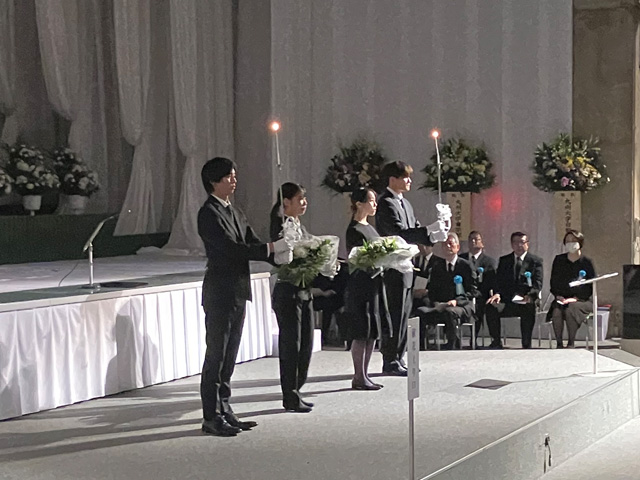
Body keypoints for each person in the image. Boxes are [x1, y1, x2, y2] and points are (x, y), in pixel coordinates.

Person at [198, 157, 292, 437]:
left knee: (229, 356)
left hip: (238, 290)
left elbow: (251, 241)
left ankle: (225, 408)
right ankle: (211, 416)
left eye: (234, 175)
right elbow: (231, 249)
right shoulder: (209, 213)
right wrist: (272, 248)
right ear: (213, 181)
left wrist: (283, 256)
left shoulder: (234, 211)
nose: (234, 180)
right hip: (220, 291)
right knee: (216, 355)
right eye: (228, 176)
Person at [375, 161, 448, 375]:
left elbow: (414, 228)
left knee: (405, 314)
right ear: (393, 179)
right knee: (394, 314)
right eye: (405, 177)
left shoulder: (405, 203)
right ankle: (390, 359)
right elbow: (399, 233)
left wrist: (435, 234)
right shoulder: (386, 203)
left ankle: (399, 356)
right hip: (392, 265)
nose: (409, 181)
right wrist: (429, 230)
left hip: (407, 265)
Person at [270, 182, 316, 413]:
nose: (304, 203)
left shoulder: (299, 225)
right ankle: (290, 394)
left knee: (306, 343)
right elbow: (282, 257)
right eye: (300, 199)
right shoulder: (280, 226)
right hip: (287, 290)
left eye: (304, 198)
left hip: (304, 289)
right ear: (286, 202)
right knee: (291, 345)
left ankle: (297, 388)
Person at [344, 187, 388, 390]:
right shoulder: (354, 230)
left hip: (374, 283)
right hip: (360, 284)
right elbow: (358, 258)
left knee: (372, 331)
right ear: (359, 204)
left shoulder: (370, 227)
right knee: (361, 331)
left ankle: (365, 374)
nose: (375, 204)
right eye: (371, 200)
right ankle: (358, 376)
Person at [486, 232, 543, 349]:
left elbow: (538, 283)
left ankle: (526, 343)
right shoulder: (504, 260)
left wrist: (529, 295)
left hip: (526, 299)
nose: (519, 245)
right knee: (491, 306)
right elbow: (498, 281)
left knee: (529, 307)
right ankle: (496, 341)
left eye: (522, 242)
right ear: (512, 244)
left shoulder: (535, 261)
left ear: (527, 244)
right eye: (516, 242)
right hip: (508, 300)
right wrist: (497, 294)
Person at [428, 232, 478, 349]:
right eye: (445, 244)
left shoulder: (466, 266)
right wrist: (436, 302)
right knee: (421, 311)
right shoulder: (437, 267)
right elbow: (432, 289)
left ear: (458, 247)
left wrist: (456, 301)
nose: (448, 246)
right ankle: (420, 346)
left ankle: (453, 345)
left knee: (450, 312)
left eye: (451, 244)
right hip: (442, 304)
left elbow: (473, 291)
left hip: (462, 305)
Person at [549, 230, 596, 348]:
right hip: (562, 298)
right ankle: (559, 343)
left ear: (580, 242)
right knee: (557, 311)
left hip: (583, 300)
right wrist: (558, 296)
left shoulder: (587, 262)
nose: (571, 243)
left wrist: (576, 298)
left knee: (571, 309)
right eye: (568, 241)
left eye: (574, 241)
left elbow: (590, 286)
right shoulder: (559, 260)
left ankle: (571, 342)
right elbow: (554, 282)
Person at [460, 231, 497, 347]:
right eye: (471, 239)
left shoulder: (489, 261)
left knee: (483, 307)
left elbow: (493, 282)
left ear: (482, 242)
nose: (473, 241)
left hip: (482, 295)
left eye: (476, 239)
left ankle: (478, 339)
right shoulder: (461, 259)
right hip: (464, 294)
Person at [411, 242, 445, 349]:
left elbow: (440, 284)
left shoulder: (439, 262)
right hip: (415, 294)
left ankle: (422, 341)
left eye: (425, 245)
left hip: (430, 296)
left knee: (423, 308)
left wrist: (427, 291)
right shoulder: (414, 261)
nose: (423, 248)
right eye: (421, 245)